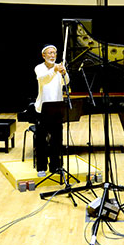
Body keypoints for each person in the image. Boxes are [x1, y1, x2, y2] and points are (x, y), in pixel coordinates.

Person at [34, 44, 70, 177]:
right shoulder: (39, 68)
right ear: (44, 55)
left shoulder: (59, 67)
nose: (53, 55)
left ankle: (55, 166)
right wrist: (55, 70)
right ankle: (41, 167)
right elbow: (43, 80)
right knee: (41, 140)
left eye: (54, 53)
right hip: (42, 108)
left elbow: (66, 83)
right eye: (50, 53)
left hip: (57, 108)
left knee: (57, 140)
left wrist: (64, 73)